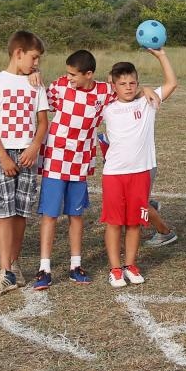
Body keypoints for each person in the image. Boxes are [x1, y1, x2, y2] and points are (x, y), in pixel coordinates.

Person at [34, 50, 113, 291]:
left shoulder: (104, 91)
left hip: (81, 161)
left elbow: (127, 89)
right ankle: (44, 267)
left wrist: (147, 90)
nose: (68, 78)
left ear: (89, 74)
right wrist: (34, 75)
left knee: (75, 214)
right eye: (67, 74)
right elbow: (38, 99)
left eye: (73, 75)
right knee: (50, 214)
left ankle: (75, 265)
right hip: (55, 159)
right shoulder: (58, 86)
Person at [0, 30, 51, 295]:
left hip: (28, 154)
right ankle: (4, 270)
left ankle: (13, 264)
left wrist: (34, 147)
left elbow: (43, 121)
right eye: (34, 57)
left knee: (21, 212)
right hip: (3, 154)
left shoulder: (36, 85)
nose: (37, 64)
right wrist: (3, 156)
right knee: (4, 211)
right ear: (18, 53)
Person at [100, 48, 177, 287]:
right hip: (114, 174)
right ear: (113, 85)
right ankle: (115, 268)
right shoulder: (107, 107)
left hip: (141, 172)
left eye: (133, 82)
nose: (128, 87)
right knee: (114, 223)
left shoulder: (148, 102)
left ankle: (130, 265)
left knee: (134, 222)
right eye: (122, 83)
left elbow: (172, 83)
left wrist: (161, 56)